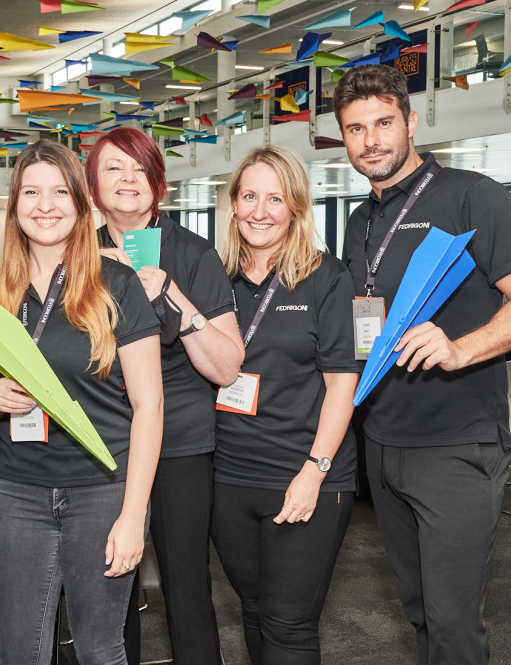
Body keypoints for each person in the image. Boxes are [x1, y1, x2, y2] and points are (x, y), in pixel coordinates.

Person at [333, 65, 511, 665]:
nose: (371, 140)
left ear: (410, 121)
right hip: (383, 442)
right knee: (419, 610)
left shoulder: (471, 194)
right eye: (355, 129)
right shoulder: (361, 221)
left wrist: (461, 348)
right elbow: (363, 323)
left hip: (455, 444)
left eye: (383, 123)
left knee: (454, 623)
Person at [0, 139, 163, 664]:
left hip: (102, 493)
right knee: (21, 651)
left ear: (82, 205)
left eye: (60, 192)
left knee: (101, 648)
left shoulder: (118, 286)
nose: (45, 205)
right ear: (15, 206)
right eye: (32, 192)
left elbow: (150, 407)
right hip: (16, 492)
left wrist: (134, 515)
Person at [86, 127, 243, 665]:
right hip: (103, 441)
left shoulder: (194, 254)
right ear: (92, 186)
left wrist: (169, 291)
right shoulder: (76, 252)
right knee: (110, 584)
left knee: (185, 582)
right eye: (113, 168)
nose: (128, 179)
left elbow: (228, 367)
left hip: (178, 439)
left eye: (140, 169)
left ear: (159, 185)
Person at [211, 145, 361, 665]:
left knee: (288, 625)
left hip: (304, 473)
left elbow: (343, 385)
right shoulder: (216, 279)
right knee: (252, 610)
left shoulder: (328, 278)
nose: (260, 210)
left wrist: (314, 472)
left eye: (275, 198)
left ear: (295, 206)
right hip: (228, 476)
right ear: (232, 204)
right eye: (249, 196)